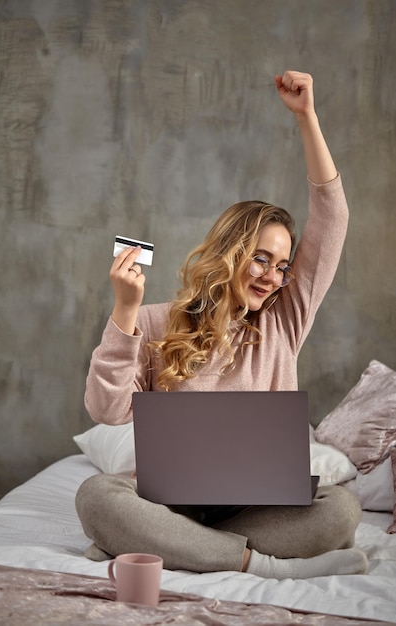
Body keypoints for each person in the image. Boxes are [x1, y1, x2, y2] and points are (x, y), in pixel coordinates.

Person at [76, 71, 368, 579]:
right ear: (230, 251)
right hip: (171, 506)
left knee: (341, 511)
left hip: (254, 509)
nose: (272, 277)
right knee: (97, 495)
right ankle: (260, 565)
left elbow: (333, 216)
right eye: (260, 259)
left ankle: (164, 548)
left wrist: (307, 117)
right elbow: (105, 409)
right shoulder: (153, 322)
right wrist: (124, 311)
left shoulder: (283, 320)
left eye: (282, 266)